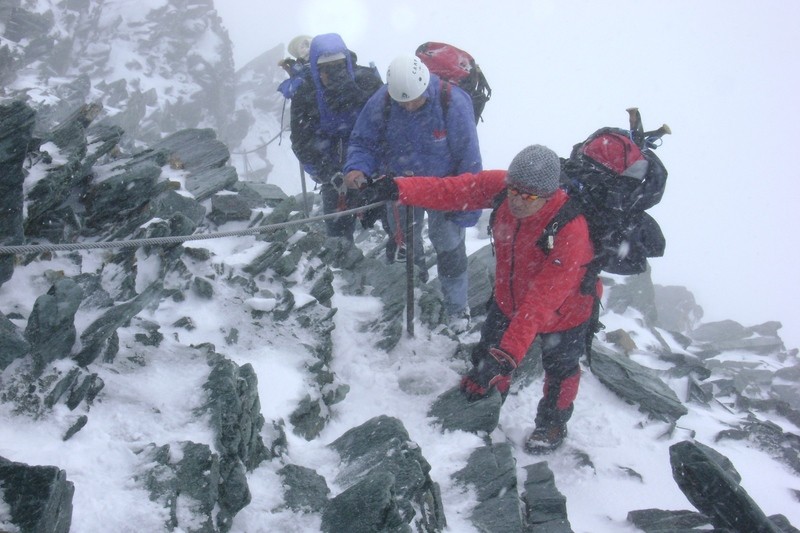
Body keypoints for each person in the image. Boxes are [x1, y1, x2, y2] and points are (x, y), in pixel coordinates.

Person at [353, 145, 598, 454]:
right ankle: (488, 405)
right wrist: (395, 188)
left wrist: (505, 358)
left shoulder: (569, 229)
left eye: (530, 197)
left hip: (567, 310)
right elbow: (449, 191)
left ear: (550, 195)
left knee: (560, 370)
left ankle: (552, 423)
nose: (518, 201)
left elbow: (539, 305)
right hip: (508, 299)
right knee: (486, 357)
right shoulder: (503, 189)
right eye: (514, 190)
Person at [344, 55, 481, 331]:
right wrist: (357, 169)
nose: (408, 106)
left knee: (450, 247)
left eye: (414, 100)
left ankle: (457, 310)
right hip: (400, 187)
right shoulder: (383, 101)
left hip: (444, 187)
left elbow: (470, 158)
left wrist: (468, 208)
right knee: (405, 243)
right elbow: (363, 142)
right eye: (402, 101)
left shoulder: (452, 103)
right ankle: (415, 297)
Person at [290, 33, 383, 241]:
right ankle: (342, 265)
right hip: (335, 174)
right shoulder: (306, 93)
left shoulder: (366, 82)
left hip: (374, 169)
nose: (333, 73)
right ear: (315, 68)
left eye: (338, 66)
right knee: (338, 236)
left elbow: (385, 123)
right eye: (326, 68)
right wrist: (328, 172)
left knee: (396, 227)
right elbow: (301, 142)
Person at [277, 35, 311, 99]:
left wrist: (292, 63)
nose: (302, 48)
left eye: (304, 45)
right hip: (303, 103)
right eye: (299, 47)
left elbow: (306, 75)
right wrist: (289, 71)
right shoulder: (300, 63)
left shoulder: (317, 62)